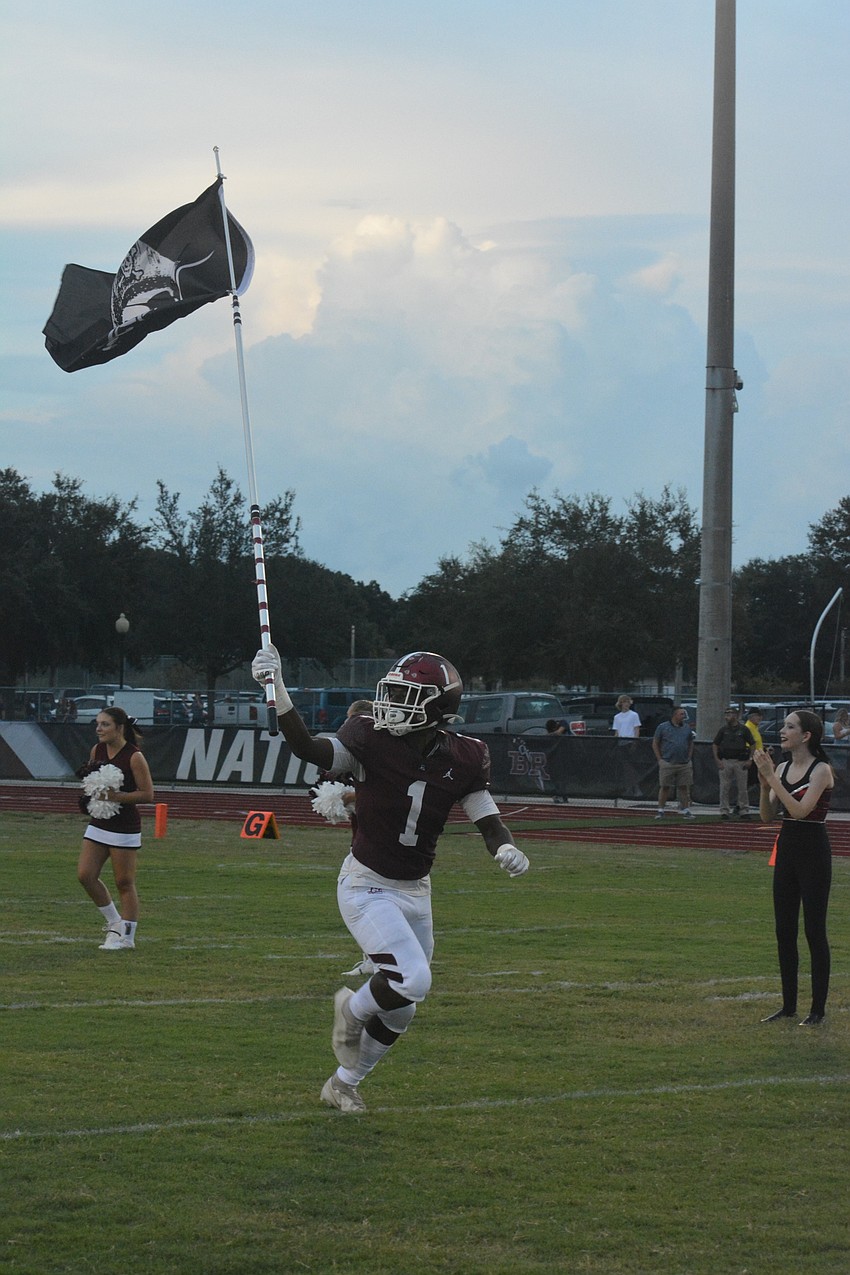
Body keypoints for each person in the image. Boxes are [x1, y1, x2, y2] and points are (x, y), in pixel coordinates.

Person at [252, 645, 530, 1114]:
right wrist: (275, 688)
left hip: (415, 891)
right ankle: (352, 1010)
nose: (391, 703)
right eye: (393, 691)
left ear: (438, 708)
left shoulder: (466, 755)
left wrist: (504, 845)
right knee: (413, 978)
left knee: (403, 1005)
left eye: (405, 694)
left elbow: (486, 816)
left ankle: (343, 1083)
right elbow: (310, 749)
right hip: (366, 884)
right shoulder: (368, 735)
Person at [753, 710, 834, 1026]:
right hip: (787, 851)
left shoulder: (821, 770)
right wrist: (764, 784)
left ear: (806, 736)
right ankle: (788, 1007)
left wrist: (772, 777)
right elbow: (766, 816)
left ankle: (817, 1010)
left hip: (813, 852)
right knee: (784, 930)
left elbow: (801, 811)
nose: (782, 731)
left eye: (789, 726)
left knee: (814, 931)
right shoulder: (783, 767)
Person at [76, 707, 154, 950]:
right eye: (98, 724)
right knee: (85, 875)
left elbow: (148, 794)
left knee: (124, 881)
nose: (99, 729)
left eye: (105, 724)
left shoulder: (134, 756)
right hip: (100, 822)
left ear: (119, 728)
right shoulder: (97, 750)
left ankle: (127, 937)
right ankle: (114, 923)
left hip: (124, 826)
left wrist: (116, 796)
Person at [652, 705, 696, 818]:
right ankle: (661, 810)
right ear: (674, 715)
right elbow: (655, 743)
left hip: (684, 763)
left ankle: (686, 809)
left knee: (683, 787)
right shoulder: (662, 727)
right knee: (665, 786)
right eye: (681, 714)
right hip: (668, 762)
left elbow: (691, 742)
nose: (684, 716)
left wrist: (689, 756)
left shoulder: (687, 728)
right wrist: (660, 759)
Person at [712, 707, 753, 820]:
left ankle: (743, 810)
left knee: (742, 787)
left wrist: (750, 759)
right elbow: (715, 744)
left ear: (735, 715)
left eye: (729, 714)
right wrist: (717, 760)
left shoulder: (743, 729)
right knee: (725, 787)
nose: (727, 717)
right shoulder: (723, 730)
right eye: (726, 714)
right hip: (726, 760)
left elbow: (752, 744)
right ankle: (724, 810)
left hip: (740, 761)